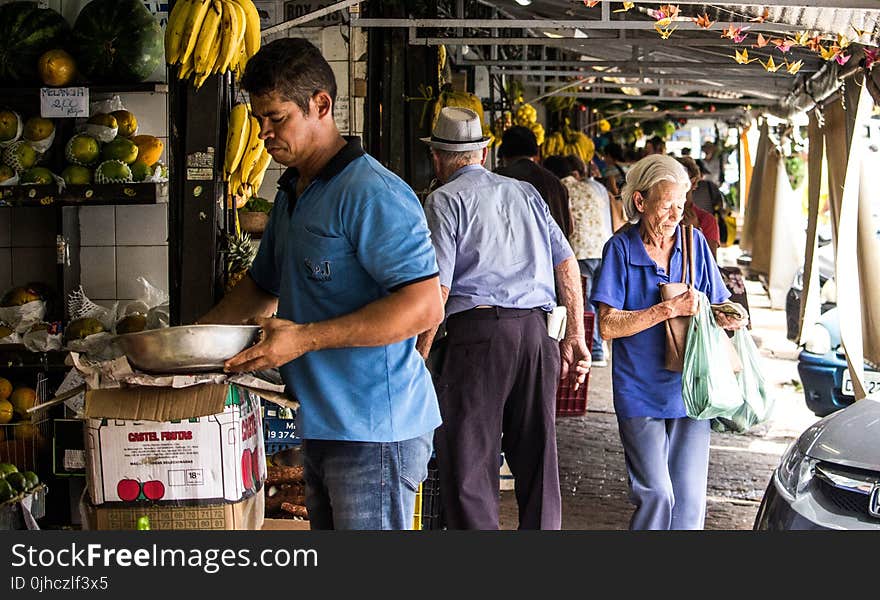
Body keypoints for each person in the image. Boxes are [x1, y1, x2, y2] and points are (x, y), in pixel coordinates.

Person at [200, 38, 444, 530]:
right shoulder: (293, 191)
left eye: (276, 118)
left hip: (374, 430)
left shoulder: (372, 193)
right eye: (257, 119)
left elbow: (424, 306)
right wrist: (187, 347)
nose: (263, 132)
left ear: (321, 105)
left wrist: (304, 339)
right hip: (320, 423)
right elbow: (259, 285)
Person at [416, 107, 590, 530]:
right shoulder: (525, 193)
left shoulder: (442, 199)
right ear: (484, 152)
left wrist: (417, 358)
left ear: (437, 158)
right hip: (537, 333)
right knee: (538, 459)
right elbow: (567, 263)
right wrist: (575, 335)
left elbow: (438, 288)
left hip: (478, 337)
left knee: (470, 465)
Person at [590, 154, 746, 530]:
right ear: (640, 202)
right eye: (666, 205)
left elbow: (720, 300)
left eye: (681, 204)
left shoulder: (693, 244)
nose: (676, 214)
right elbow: (608, 326)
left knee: (689, 503)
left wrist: (729, 317)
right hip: (639, 390)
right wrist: (667, 309)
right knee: (657, 492)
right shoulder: (620, 250)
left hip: (692, 387)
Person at [544, 154, 615, 366]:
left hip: (580, 252)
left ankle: (595, 351)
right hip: (603, 248)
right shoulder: (593, 187)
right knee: (600, 300)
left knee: (582, 304)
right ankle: (600, 345)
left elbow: (570, 226)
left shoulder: (559, 189)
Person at [495, 125, 573, 238]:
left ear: (503, 153)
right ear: (536, 152)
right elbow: (570, 227)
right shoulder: (556, 183)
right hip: (555, 254)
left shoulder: (499, 179)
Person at [676, 156, 721, 258]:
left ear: (694, 182)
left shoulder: (706, 220)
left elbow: (711, 266)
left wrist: (695, 231)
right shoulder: (663, 216)